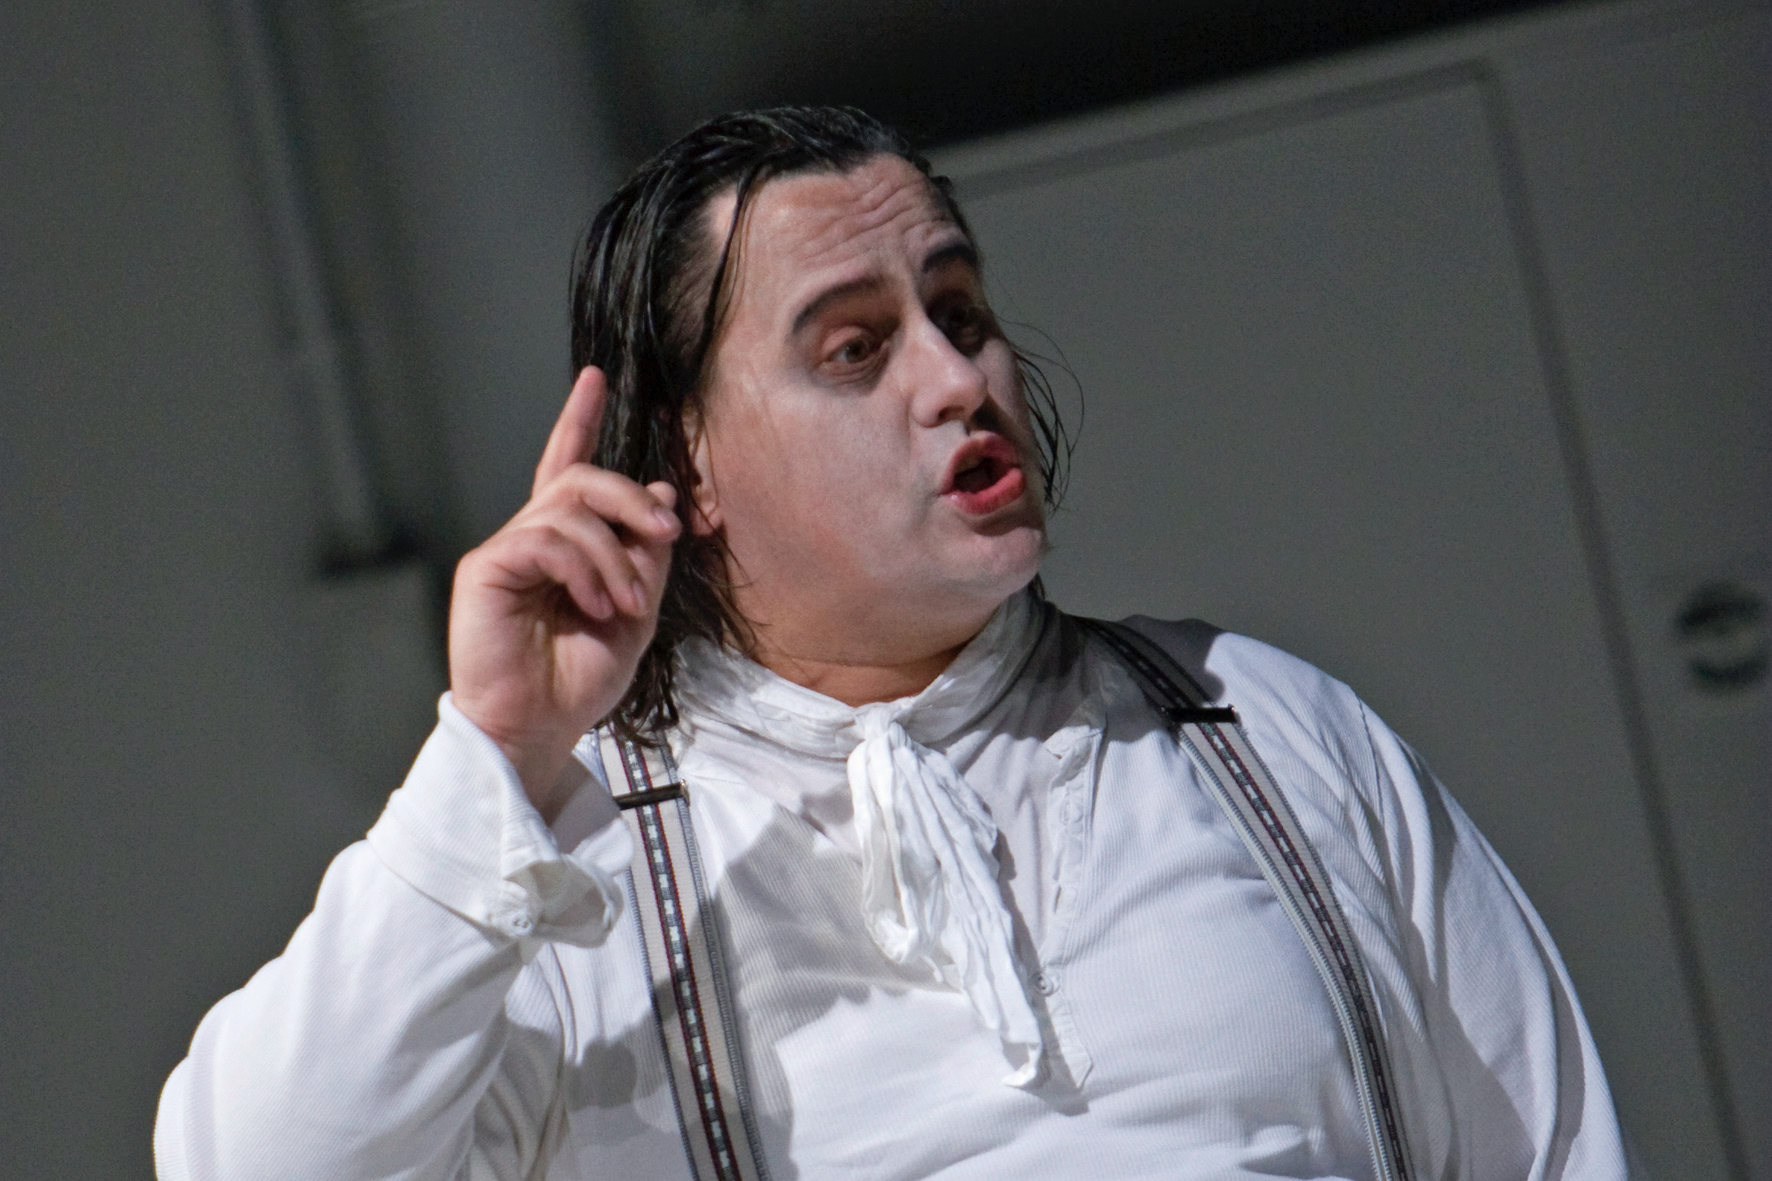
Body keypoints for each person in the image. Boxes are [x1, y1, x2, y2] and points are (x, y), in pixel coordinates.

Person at [154, 106, 1633, 1180]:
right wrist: (495, 754)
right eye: (854, 348)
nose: (956, 376)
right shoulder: (569, 873)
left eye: (960, 310)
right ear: (687, 468)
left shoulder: (1256, 727)